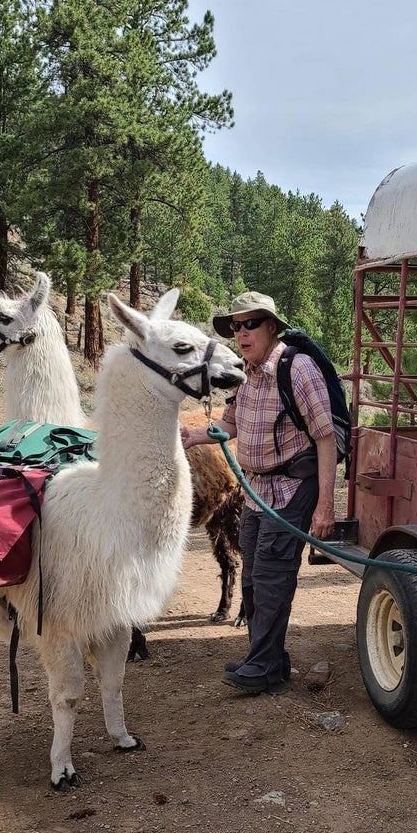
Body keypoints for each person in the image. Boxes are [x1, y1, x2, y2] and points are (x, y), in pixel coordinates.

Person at [181, 291, 336, 696]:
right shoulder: (246, 372)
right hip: (255, 489)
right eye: (236, 326)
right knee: (251, 573)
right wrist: (195, 436)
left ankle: (265, 666)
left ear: (271, 326)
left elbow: (325, 438)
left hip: (291, 487)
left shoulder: (298, 371)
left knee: (270, 577)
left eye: (251, 324)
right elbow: (230, 425)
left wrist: (324, 505)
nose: (242, 333)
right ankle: (266, 657)